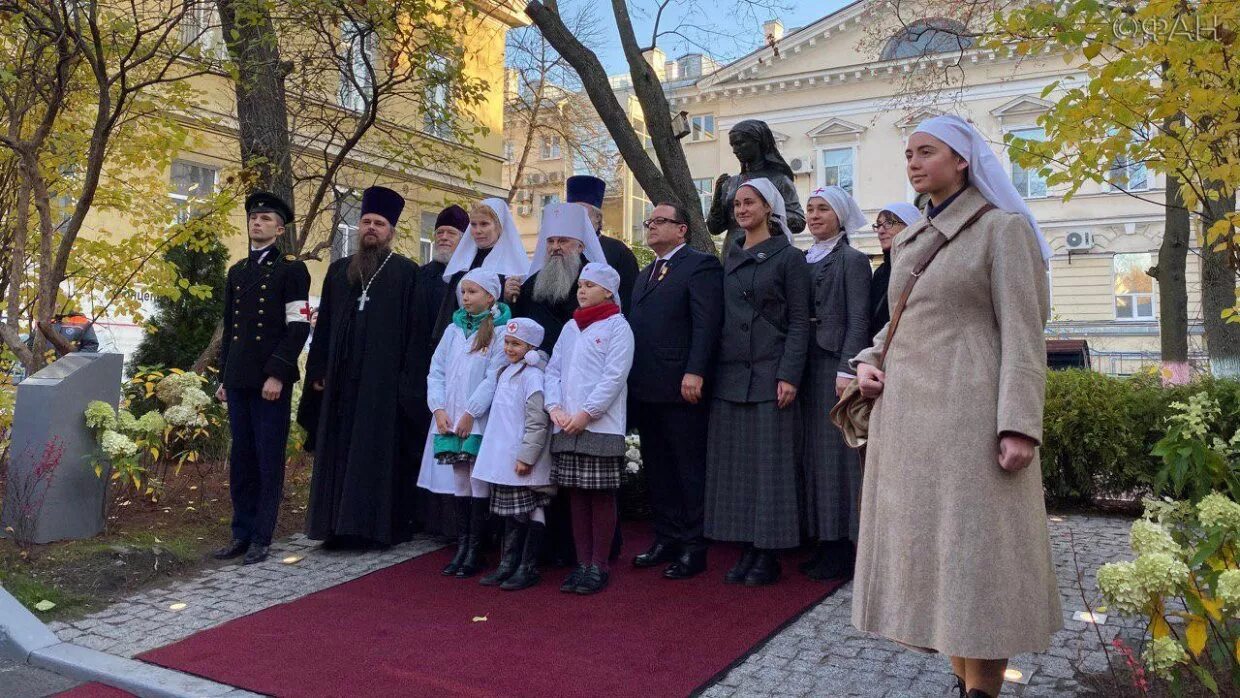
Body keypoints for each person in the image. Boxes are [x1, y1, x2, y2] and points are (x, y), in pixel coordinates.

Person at [851, 115, 1059, 698]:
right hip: (909, 428)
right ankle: (959, 684)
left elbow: (1024, 334)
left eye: (927, 152)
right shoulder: (910, 239)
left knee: (978, 568)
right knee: (939, 569)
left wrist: (1019, 424)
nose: (913, 162)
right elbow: (900, 327)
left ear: (962, 160)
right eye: (909, 153)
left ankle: (981, 693)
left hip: (971, 422)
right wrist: (870, 361)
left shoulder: (1003, 229)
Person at [704, 177, 810, 587]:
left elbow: (800, 322)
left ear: (769, 208)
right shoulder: (730, 254)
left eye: (750, 203)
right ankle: (747, 544)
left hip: (770, 372)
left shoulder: (788, 258)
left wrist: (789, 374)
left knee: (771, 467)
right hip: (732, 375)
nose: (741, 209)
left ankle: (769, 552)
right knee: (739, 467)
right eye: (737, 205)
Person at [304, 185, 423, 549]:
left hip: (381, 386)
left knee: (374, 454)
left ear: (391, 232)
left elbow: (414, 334)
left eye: (379, 223)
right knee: (338, 451)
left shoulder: (406, 273)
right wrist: (320, 368)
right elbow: (323, 327)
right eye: (366, 221)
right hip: (340, 383)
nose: (371, 228)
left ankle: (371, 531)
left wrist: (407, 382)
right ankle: (334, 529)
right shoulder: (340, 270)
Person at [213, 191, 311, 565]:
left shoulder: (291, 270)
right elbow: (231, 327)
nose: (258, 222)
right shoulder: (237, 271)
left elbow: (298, 327)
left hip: (270, 380)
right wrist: (224, 376)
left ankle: (261, 536)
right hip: (239, 378)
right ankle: (241, 532)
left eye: (266, 218)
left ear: (279, 228)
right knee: (241, 458)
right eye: (254, 217)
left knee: (267, 458)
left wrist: (277, 374)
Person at [626, 201, 723, 580]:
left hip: (683, 386)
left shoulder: (700, 265)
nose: (651, 226)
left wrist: (695, 371)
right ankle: (665, 537)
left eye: (660, 221)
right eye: (649, 221)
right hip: (647, 385)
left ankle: (693, 546)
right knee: (659, 469)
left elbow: (706, 324)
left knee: (687, 469)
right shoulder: (645, 272)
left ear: (682, 229)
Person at [545, 263, 635, 595]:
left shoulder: (617, 327)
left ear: (608, 291)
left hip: (599, 425)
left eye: (590, 285)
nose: (581, 290)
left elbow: (614, 376)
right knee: (576, 495)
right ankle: (581, 563)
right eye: (580, 285)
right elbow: (553, 369)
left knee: (600, 495)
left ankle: (599, 564)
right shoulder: (570, 327)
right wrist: (555, 407)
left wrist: (587, 413)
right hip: (566, 423)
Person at [416, 269, 511, 577]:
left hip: (478, 418)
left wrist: (471, 412)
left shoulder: (499, 331)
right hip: (450, 416)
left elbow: (493, 376)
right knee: (459, 477)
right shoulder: (453, 330)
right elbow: (437, 371)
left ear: (490, 296)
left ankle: (477, 549)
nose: (466, 297)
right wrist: (439, 408)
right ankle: (463, 545)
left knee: (477, 477)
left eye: (472, 292)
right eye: (464, 292)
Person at [798, 186, 871, 582]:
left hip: (832, 366)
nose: (814, 215)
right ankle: (819, 536)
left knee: (835, 459)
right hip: (803, 365)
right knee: (811, 454)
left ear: (840, 216)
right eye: (810, 209)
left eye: (823, 209)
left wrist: (847, 368)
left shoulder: (853, 261)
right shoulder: (801, 258)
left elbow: (858, 318)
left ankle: (842, 544)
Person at [471, 317, 554, 591]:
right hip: (503, 457)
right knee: (511, 513)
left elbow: (537, 421)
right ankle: (507, 564)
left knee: (530, 509)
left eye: (516, 344)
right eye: (506, 342)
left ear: (530, 346)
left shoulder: (533, 376)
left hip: (522, 460)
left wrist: (527, 456)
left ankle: (527, 566)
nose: (509, 348)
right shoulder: (505, 372)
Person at [409, 205, 466, 536]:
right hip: (421, 372)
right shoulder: (422, 274)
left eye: (451, 234)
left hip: (454, 376)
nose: (443, 238)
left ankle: (451, 524)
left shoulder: (468, 276)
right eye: (440, 233)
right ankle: (422, 517)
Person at [511, 202, 607, 352]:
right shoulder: (532, 283)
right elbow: (518, 322)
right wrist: (510, 299)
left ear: (580, 247)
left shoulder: (595, 283)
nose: (555, 247)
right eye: (550, 241)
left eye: (563, 241)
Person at [432, 198, 528, 345]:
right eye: (474, 224)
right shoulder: (463, 263)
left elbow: (521, 317)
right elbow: (450, 310)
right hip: (460, 340)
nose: (477, 231)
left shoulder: (513, 267)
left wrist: (508, 299)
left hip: (495, 343)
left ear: (499, 226)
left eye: (484, 224)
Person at [705, 119, 805, 250]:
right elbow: (714, 228)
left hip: (767, 251)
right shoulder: (730, 183)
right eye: (733, 145)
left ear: (757, 142)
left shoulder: (780, 180)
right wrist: (717, 197)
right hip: (732, 253)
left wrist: (764, 218)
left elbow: (799, 222)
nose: (735, 150)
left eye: (740, 143)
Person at [562, 175, 639, 310]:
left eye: (582, 212)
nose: (575, 218)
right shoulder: (559, 249)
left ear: (597, 218)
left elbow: (629, 297)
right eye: (571, 213)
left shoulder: (618, 251)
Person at [869, 202, 920, 339]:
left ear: (910, 226)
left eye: (889, 223)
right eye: (878, 225)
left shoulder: (921, 266)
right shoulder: (880, 272)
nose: (881, 230)